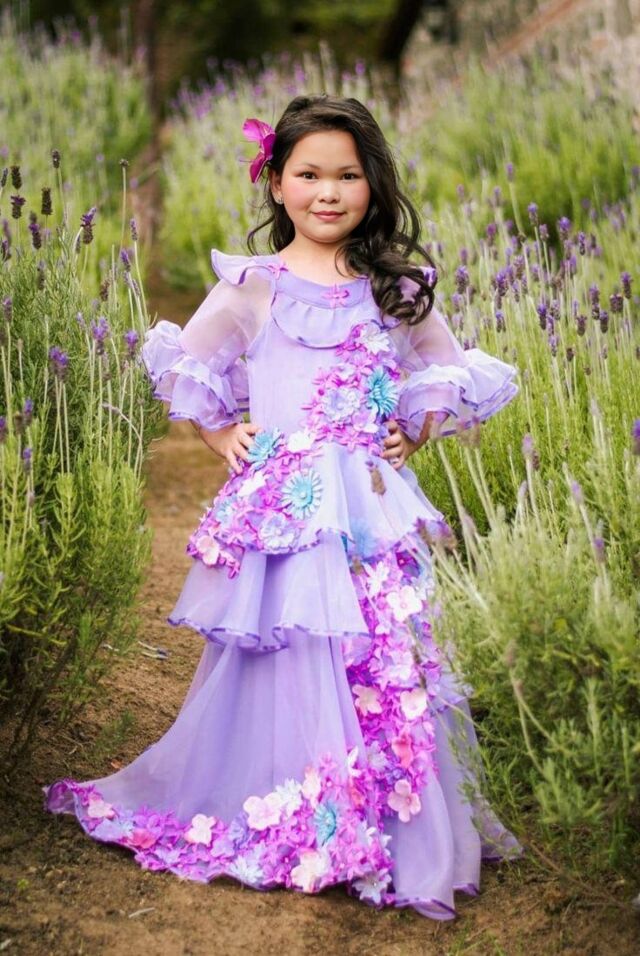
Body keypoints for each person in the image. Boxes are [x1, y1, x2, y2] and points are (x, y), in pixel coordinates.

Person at [43, 94, 523, 920]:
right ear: (275, 182)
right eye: (309, 174)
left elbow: (442, 368)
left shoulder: (395, 290)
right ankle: (299, 809)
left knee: (386, 662)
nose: (328, 192)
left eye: (348, 175)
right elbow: (187, 363)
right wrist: (221, 433)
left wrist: (415, 431)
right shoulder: (253, 288)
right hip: (287, 512)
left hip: (370, 509)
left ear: (373, 183)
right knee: (291, 650)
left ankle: (386, 820)